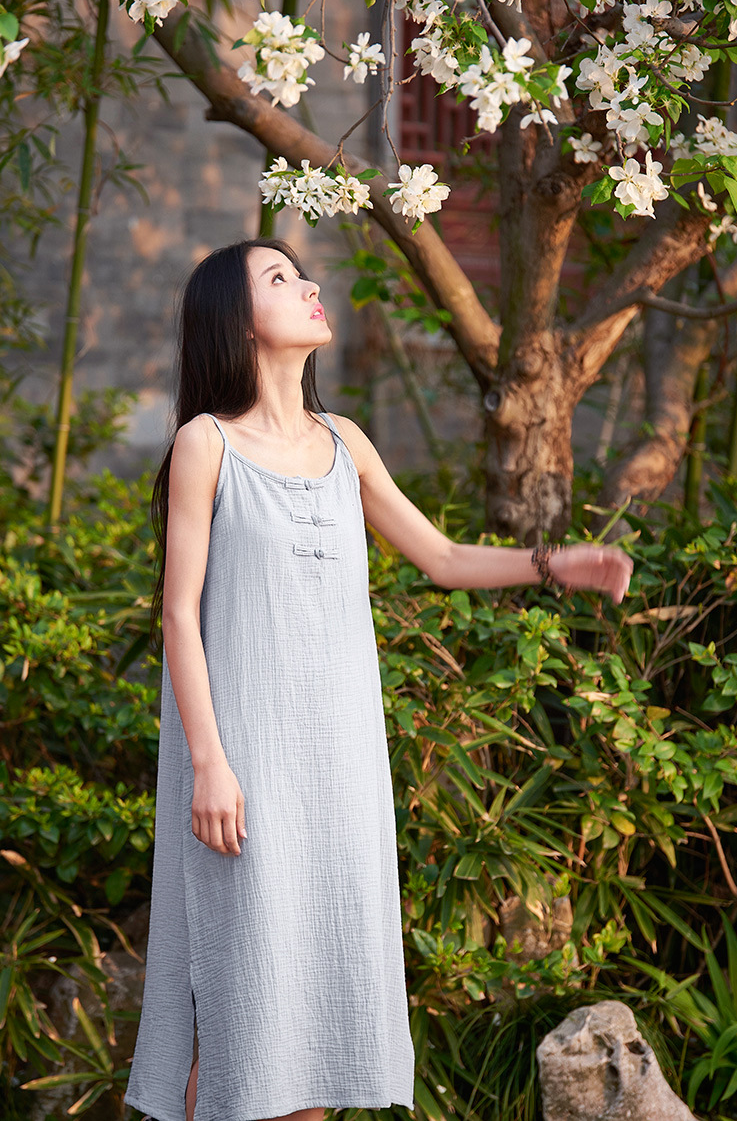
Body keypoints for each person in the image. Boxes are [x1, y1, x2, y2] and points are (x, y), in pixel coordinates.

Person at [123, 237, 633, 1121]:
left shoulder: (345, 441)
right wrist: (210, 764)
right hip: (245, 768)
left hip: (340, 771)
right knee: (247, 1019)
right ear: (236, 321)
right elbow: (178, 614)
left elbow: (442, 557)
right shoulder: (207, 444)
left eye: (301, 273)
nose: (309, 284)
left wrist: (558, 563)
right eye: (279, 278)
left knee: (316, 1026)